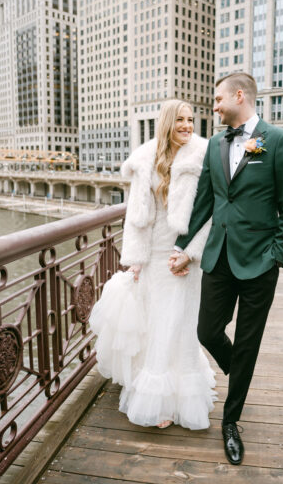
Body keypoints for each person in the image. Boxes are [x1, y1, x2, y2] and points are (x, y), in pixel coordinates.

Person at [170, 72, 283, 465]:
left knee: (247, 341)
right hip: (219, 256)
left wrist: (278, 255)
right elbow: (206, 201)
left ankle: (231, 422)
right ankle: (240, 373)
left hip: (261, 262)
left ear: (238, 96)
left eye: (217, 99)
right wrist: (182, 245)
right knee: (207, 330)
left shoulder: (277, 141)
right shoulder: (215, 145)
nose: (213, 107)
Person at [90, 99, 215, 430]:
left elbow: (211, 212)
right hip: (154, 256)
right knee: (156, 324)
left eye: (191, 120)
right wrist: (135, 260)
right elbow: (136, 216)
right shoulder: (146, 159)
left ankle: (178, 399)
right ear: (167, 124)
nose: (188, 126)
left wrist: (189, 253)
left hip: (184, 254)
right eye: (180, 121)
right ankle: (157, 399)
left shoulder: (203, 156)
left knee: (180, 324)